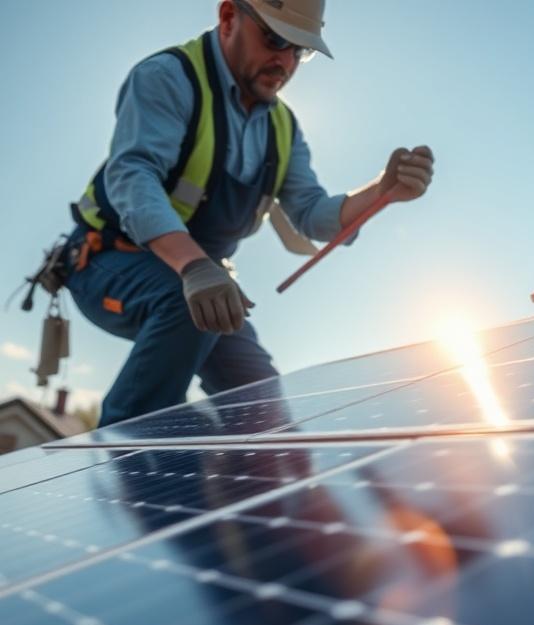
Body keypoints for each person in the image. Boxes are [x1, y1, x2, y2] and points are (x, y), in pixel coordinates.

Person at [65, 0, 434, 427]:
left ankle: (250, 480)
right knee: (184, 308)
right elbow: (133, 179)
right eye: (276, 39)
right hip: (108, 262)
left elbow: (313, 213)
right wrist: (196, 268)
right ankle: (129, 453)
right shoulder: (168, 78)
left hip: (205, 285)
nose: (286, 62)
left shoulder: (284, 130)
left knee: (262, 403)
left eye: (300, 50)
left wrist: (381, 191)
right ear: (227, 18)